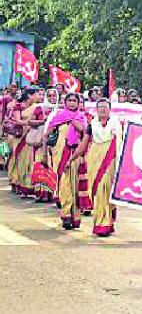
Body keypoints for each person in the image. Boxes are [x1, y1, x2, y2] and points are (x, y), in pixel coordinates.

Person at [67, 98, 122, 236]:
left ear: (110, 109)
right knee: (97, 192)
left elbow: (121, 143)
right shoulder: (92, 125)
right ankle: (101, 222)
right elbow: (84, 144)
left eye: (105, 107)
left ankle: (104, 223)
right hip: (93, 160)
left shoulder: (116, 124)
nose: (103, 109)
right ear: (96, 109)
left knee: (107, 191)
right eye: (100, 107)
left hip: (110, 160)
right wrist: (72, 158)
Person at [42, 93, 87, 230]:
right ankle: (66, 215)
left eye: (75, 101)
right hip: (59, 154)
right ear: (65, 102)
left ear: (78, 103)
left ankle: (75, 216)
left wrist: (72, 120)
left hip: (75, 154)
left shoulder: (81, 117)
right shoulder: (58, 117)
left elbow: (84, 131)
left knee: (75, 185)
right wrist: (44, 154)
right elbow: (47, 134)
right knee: (63, 184)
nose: (72, 103)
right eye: (70, 100)